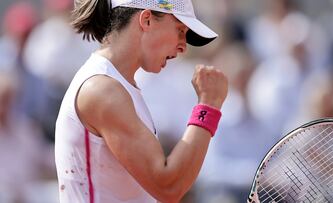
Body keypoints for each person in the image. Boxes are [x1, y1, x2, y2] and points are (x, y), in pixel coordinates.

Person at [55, 0, 228, 202]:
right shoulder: (102, 90)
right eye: (180, 30)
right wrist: (208, 105)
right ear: (146, 20)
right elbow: (169, 187)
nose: (183, 47)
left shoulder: (116, 86)